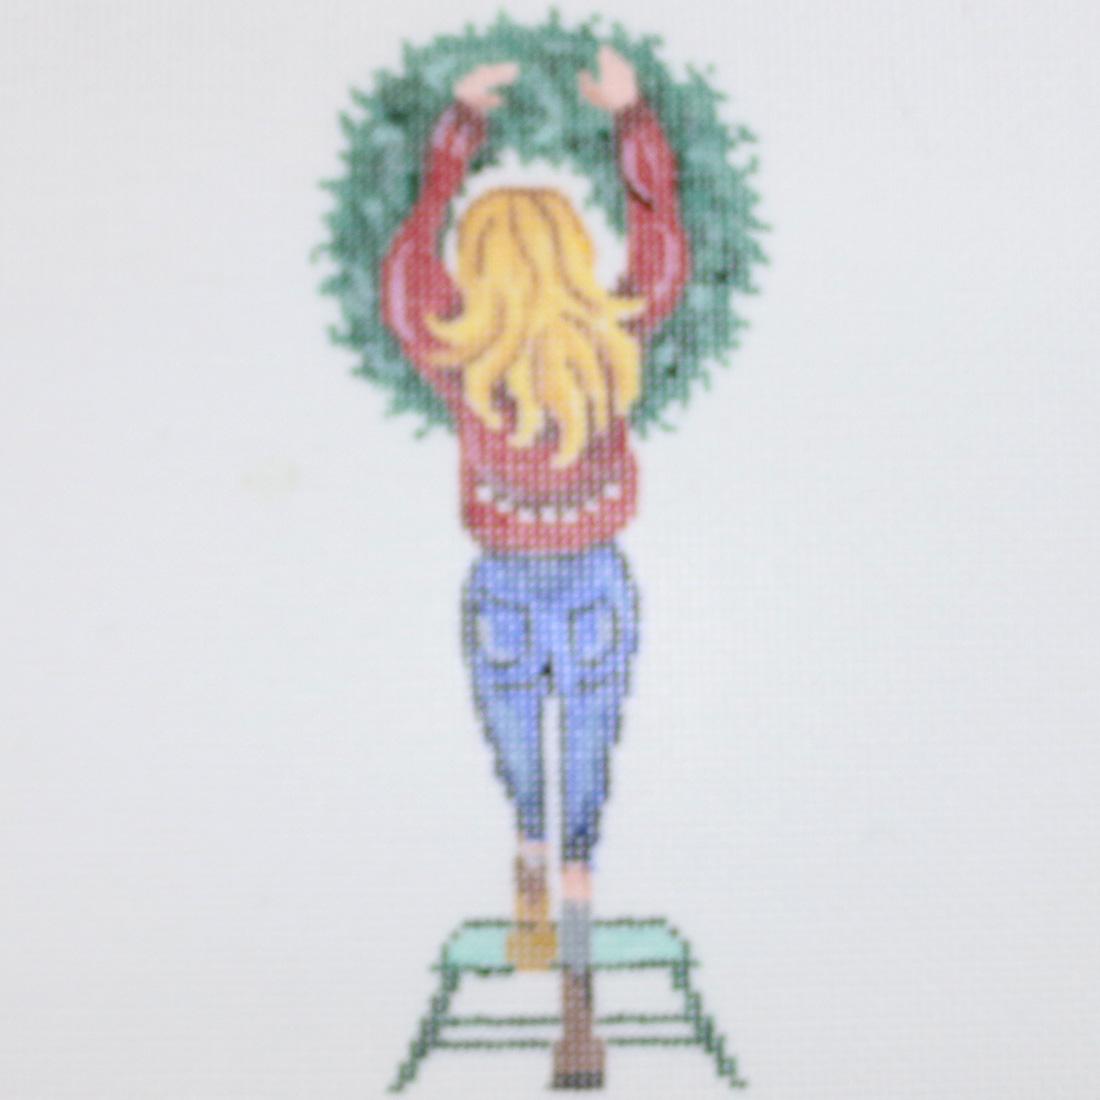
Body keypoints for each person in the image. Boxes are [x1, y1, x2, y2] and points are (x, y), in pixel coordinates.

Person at [381, 46, 689, 1088]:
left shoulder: (460, 351)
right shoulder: (611, 341)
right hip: (595, 578)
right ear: (570, 255)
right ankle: (577, 1005)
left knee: (524, 773)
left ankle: (527, 890)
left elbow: (407, 267)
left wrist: (453, 140)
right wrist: (633, 121)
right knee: (585, 786)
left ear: (483, 262)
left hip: (505, 584)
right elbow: (661, 246)